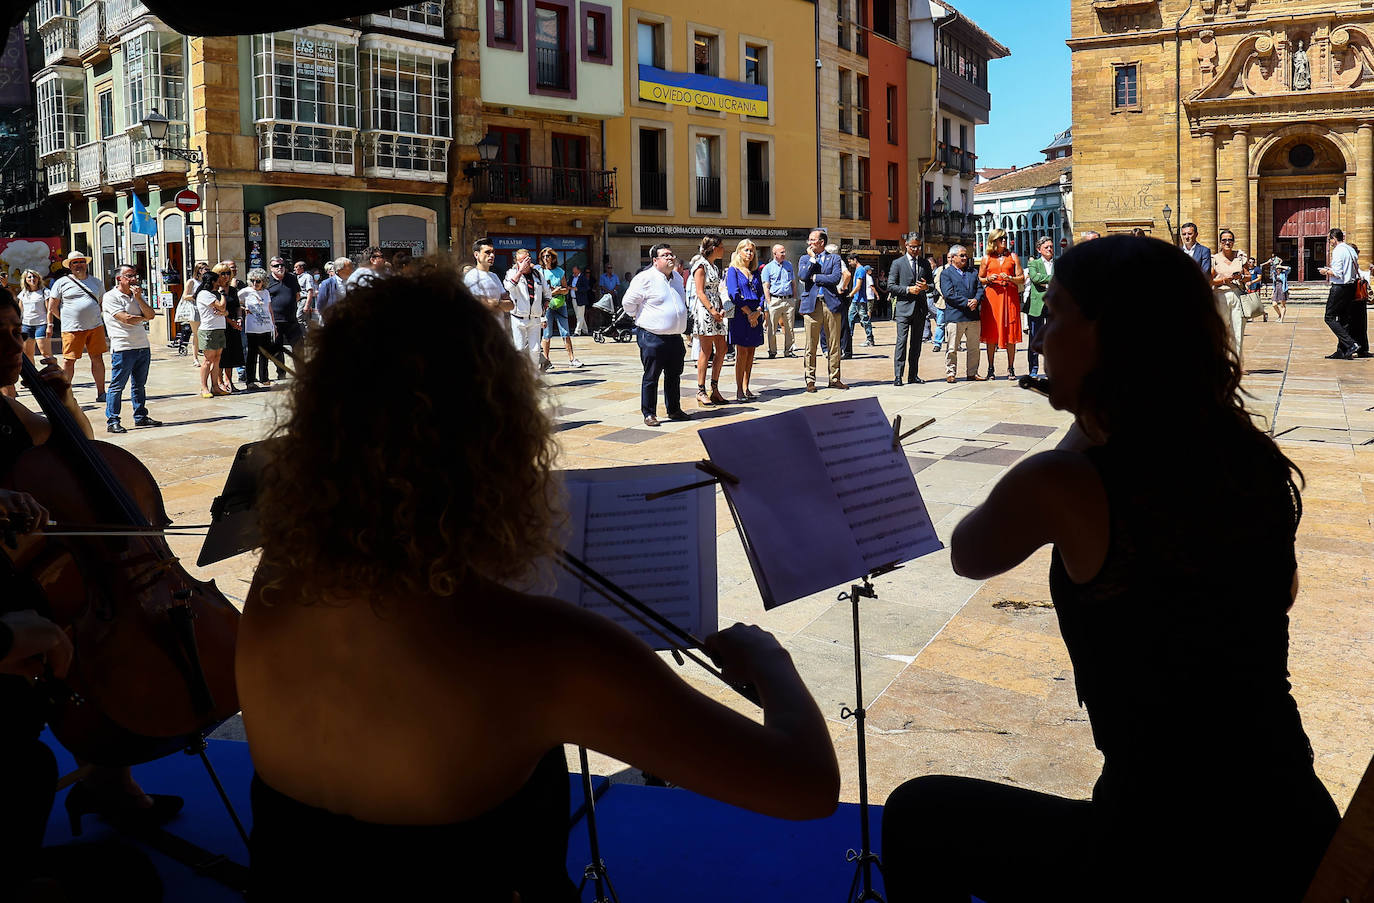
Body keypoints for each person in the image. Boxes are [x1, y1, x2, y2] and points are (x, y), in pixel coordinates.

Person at [234, 263, 836, 900]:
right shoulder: (542, 649)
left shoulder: (276, 584)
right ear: (497, 437)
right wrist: (772, 663)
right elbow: (806, 787)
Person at [882, 234, 1340, 903]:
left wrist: (1083, 423)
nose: (1043, 334)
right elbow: (1284, 592)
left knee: (918, 815)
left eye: (1060, 313)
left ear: (1111, 334)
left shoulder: (1066, 480)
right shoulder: (1249, 458)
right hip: (1292, 823)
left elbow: (969, 551)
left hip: (1165, 847)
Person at [0, 291, 178, 901]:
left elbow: (76, 452)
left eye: (11, 334)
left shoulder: (8, 410)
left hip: (46, 569)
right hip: (14, 584)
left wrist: (66, 397)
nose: (10, 350)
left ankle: (107, 779)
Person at [625, 244, 692, 427]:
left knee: (674, 375)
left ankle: (674, 409)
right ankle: (649, 413)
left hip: (675, 337)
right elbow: (628, 303)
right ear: (655, 260)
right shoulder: (644, 278)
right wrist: (638, 317)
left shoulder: (677, 277)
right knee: (651, 376)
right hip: (652, 336)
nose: (670, 258)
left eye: (671, 254)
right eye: (665, 255)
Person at [101, 263, 162, 433]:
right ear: (119, 278)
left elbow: (151, 314)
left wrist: (139, 300)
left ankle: (140, 416)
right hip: (123, 347)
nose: (134, 279)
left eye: (135, 275)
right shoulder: (110, 297)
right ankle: (113, 420)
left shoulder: (137, 296)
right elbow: (125, 318)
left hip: (142, 345)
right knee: (117, 385)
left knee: (139, 385)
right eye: (129, 276)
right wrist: (142, 318)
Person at [46, 251, 107, 403]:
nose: (79, 265)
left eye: (81, 262)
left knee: (97, 358)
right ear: (70, 266)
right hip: (71, 329)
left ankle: (101, 392)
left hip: (95, 326)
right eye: (75, 262)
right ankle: (64, 394)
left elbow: (101, 303)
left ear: (86, 264)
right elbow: (52, 307)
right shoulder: (61, 283)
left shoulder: (96, 282)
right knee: (68, 361)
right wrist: (65, 319)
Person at [797, 229, 845, 393]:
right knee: (811, 345)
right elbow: (803, 276)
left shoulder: (834, 259)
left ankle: (835, 379)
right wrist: (812, 260)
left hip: (831, 304)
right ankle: (810, 380)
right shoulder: (805, 259)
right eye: (809, 240)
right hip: (812, 305)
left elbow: (835, 278)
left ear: (821, 242)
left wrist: (816, 278)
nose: (809, 243)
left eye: (812, 240)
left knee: (834, 344)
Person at [977, 228, 1026, 380]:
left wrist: (1010, 278)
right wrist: (989, 279)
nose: (1004, 240)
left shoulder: (1013, 256)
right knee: (991, 332)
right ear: (993, 241)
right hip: (992, 297)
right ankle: (990, 368)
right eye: (1001, 238)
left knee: (1011, 332)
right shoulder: (986, 258)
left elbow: (1022, 278)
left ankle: (1011, 368)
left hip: (1009, 296)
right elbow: (980, 278)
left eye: (1005, 238)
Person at [888, 233, 933, 387]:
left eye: (918, 246)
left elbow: (932, 285)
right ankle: (898, 375)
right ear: (906, 245)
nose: (915, 249)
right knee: (901, 341)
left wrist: (926, 287)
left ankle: (913, 375)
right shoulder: (897, 263)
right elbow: (891, 286)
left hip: (920, 309)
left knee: (916, 344)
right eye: (912, 246)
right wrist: (908, 290)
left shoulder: (925, 263)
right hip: (903, 308)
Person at [689, 235, 729, 407]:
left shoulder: (714, 266)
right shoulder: (700, 265)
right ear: (713, 248)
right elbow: (700, 292)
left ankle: (715, 387)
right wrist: (712, 311)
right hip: (705, 310)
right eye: (721, 246)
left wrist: (720, 308)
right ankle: (700, 390)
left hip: (715, 309)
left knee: (722, 348)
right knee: (706, 350)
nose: (723, 249)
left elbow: (716, 291)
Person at [725, 239, 765, 402]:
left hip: (755, 313)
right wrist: (749, 313)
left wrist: (758, 311)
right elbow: (733, 294)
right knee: (741, 352)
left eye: (752, 251)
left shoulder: (755, 271)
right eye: (746, 250)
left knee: (751, 352)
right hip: (741, 314)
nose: (749, 253)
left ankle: (747, 387)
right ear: (739, 251)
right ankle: (739, 389)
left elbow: (762, 293)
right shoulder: (733, 270)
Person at [938, 245, 983, 383]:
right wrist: (966, 302)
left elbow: (980, 289)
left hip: (973, 316)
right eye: (961, 255)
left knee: (974, 347)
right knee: (952, 347)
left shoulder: (973, 272)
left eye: (965, 255)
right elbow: (948, 294)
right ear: (953, 257)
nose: (965, 258)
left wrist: (976, 300)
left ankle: (972, 372)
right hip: (955, 316)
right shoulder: (946, 273)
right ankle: (951, 373)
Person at [1319, 228, 1361, 360]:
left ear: (1334, 238)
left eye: (1329, 239)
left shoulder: (1338, 251)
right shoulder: (1351, 250)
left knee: (1329, 317)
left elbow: (1338, 273)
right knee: (1343, 319)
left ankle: (1350, 344)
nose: (1329, 242)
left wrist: (1325, 271)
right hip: (1351, 287)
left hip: (1340, 287)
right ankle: (1342, 351)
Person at [503, 249, 549, 370]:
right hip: (518, 318)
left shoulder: (538, 274)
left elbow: (547, 293)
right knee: (519, 349)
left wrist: (544, 309)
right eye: (521, 260)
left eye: (527, 260)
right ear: (516, 261)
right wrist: (519, 271)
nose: (525, 263)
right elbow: (508, 287)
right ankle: (520, 376)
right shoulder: (511, 273)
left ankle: (533, 377)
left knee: (535, 350)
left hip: (535, 318)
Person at [537, 248, 581, 370]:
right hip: (547, 306)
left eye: (548, 256)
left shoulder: (559, 271)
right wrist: (554, 291)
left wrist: (556, 291)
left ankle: (572, 358)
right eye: (544, 256)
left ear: (553, 258)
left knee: (565, 332)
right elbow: (540, 290)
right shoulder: (539, 272)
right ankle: (546, 361)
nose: (546, 258)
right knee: (547, 334)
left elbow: (566, 289)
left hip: (561, 305)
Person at [1210, 229, 1250, 362]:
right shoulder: (1214, 259)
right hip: (1220, 295)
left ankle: (1236, 361)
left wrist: (1241, 276)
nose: (1227, 242)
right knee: (1221, 330)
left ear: (1233, 242)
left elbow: (1248, 276)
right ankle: (1221, 360)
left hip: (1237, 295)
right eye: (1224, 240)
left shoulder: (1240, 257)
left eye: (1230, 240)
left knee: (1238, 329)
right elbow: (1210, 280)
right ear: (1220, 242)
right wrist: (1223, 280)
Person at [195, 265, 231, 398]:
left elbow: (224, 310)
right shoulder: (204, 294)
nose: (220, 283)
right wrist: (222, 294)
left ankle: (215, 386)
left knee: (217, 359)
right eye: (217, 281)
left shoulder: (214, 295)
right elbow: (221, 306)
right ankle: (204, 387)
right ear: (212, 282)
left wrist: (224, 311)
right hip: (208, 330)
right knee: (208, 360)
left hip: (219, 328)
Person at [265, 258, 302, 381]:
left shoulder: (291, 278)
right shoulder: (267, 280)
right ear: (271, 268)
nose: (280, 267)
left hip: (292, 320)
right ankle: (281, 372)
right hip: (275, 322)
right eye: (276, 266)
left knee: (299, 347)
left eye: (282, 265)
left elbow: (297, 295)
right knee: (277, 349)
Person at [240, 269, 277, 390]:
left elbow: (269, 309)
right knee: (251, 355)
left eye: (258, 281)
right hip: (252, 328)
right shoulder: (245, 291)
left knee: (265, 354)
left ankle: (264, 378)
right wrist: (243, 308)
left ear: (263, 282)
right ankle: (250, 380)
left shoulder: (266, 292)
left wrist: (273, 325)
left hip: (266, 327)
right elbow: (235, 303)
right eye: (252, 280)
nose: (255, 283)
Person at [1025, 236, 1054, 380]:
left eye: (1051, 247)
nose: (1050, 249)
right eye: (1046, 247)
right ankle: (1033, 368)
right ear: (1039, 250)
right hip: (1037, 305)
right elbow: (1034, 278)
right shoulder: (1034, 264)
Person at [761, 244, 797, 360]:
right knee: (771, 328)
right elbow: (766, 286)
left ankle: (789, 350)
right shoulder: (768, 268)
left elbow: (793, 283)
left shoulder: (789, 265)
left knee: (790, 327)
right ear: (774, 253)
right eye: (781, 252)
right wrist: (769, 301)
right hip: (775, 300)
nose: (784, 254)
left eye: (784, 252)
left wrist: (794, 298)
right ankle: (772, 351)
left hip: (788, 300)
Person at [463, 239, 513, 321]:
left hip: (498, 328)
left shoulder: (494, 276)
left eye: (493, 252)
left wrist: (496, 303)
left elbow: (510, 305)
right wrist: (499, 304)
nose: (492, 255)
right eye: (487, 252)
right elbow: (479, 305)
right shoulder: (472, 277)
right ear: (476, 255)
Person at [219, 262, 246, 394]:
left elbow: (237, 307)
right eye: (223, 273)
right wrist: (231, 322)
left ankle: (229, 381)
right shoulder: (216, 290)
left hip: (234, 325)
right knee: (221, 356)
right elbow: (218, 310)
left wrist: (239, 318)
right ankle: (220, 382)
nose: (226, 276)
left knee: (231, 355)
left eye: (228, 273)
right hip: (220, 325)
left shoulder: (233, 290)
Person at [843, 253, 876, 355]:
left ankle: (870, 339)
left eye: (850, 261)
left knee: (864, 319)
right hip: (856, 300)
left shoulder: (861, 270)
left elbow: (858, 286)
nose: (849, 264)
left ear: (855, 260)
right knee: (850, 318)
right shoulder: (858, 270)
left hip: (860, 300)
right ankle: (848, 338)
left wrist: (850, 294)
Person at [15, 270, 50, 363]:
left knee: (45, 353)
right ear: (25, 280)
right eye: (29, 277)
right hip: (26, 326)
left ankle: (55, 376)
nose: (32, 279)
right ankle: (33, 376)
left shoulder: (45, 291)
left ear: (38, 278)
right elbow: (20, 311)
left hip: (41, 325)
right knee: (27, 354)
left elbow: (49, 310)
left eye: (34, 277)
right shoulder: (23, 293)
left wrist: (50, 325)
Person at [180, 261, 209, 364]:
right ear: (199, 270)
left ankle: (206, 355)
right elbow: (184, 296)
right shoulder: (192, 281)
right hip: (195, 309)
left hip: (205, 309)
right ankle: (195, 358)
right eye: (206, 269)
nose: (207, 271)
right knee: (196, 334)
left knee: (205, 332)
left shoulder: (206, 282)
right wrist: (196, 296)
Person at [316, 257, 351, 321]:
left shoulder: (352, 281)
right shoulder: (327, 283)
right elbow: (320, 304)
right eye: (349, 267)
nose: (351, 269)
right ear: (340, 269)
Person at [1268, 251, 1291, 321]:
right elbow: (1274, 284)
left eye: (1279, 269)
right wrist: (1272, 292)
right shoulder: (1274, 274)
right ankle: (1279, 315)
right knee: (1274, 304)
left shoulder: (1284, 273)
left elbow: (1289, 268)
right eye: (1277, 268)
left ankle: (1281, 319)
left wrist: (1281, 266)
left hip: (1282, 289)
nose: (1278, 269)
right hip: (1276, 289)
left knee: (1282, 305)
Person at [293, 261, 316, 328]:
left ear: (302, 267)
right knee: (305, 320)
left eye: (296, 267)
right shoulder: (296, 277)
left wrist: (307, 305)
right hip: (298, 300)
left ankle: (304, 336)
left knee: (299, 317)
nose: (294, 269)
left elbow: (310, 291)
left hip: (304, 299)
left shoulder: (307, 277)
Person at [570, 265, 590, 336]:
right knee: (579, 315)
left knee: (580, 316)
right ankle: (585, 330)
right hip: (573, 299)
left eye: (575, 272)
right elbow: (569, 284)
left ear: (579, 271)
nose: (574, 273)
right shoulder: (572, 277)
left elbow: (587, 288)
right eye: (573, 272)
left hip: (581, 299)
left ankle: (577, 331)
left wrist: (577, 289)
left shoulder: (583, 278)